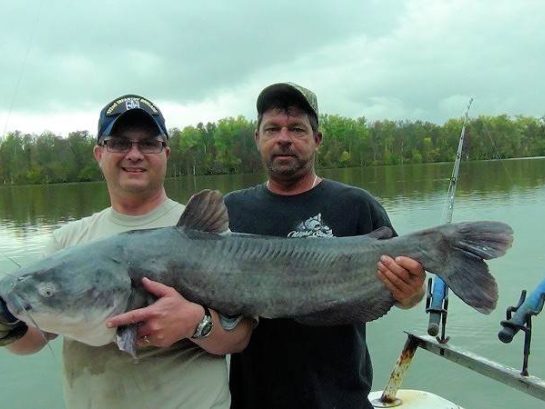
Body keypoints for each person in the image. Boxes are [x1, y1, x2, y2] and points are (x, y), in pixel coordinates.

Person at [0, 94, 253, 409]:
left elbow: (240, 336)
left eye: (148, 143)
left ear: (166, 153)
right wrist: (5, 324)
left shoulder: (207, 236)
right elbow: (34, 339)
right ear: (99, 153)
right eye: (119, 143)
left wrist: (195, 323)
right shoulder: (68, 241)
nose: (134, 154)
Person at [225, 83, 426, 409]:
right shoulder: (230, 210)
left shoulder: (358, 205)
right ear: (257, 138)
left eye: (297, 129)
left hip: (340, 398)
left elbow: (407, 293)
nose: (284, 138)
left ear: (317, 140)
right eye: (273, 129)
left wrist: (412, 291)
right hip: (252, 399)